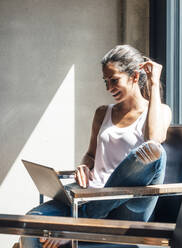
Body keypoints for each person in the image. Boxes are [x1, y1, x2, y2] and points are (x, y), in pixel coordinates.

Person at [20, 45, 172, 248]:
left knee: (154, 152)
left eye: (114, 80)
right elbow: (91, 155)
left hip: (128, 206)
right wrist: (84, 166)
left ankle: (79, 225)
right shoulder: (103, 113)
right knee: (30, 225)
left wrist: (153, 84)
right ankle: (83, 221)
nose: (109, 88)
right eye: (106, 81)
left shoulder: (160, 110)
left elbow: (154, 140)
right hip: (89, 197)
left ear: (135, 76)